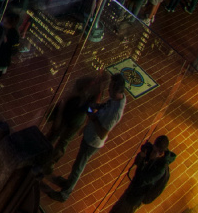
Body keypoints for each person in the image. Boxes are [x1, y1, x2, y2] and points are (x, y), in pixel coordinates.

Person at [49, 72, 128, 201]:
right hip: (89, 134)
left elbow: (102, 133)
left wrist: (93, 117)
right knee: (77, 165)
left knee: (78, 167)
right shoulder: (116, 99)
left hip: (92, 141)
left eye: (110, 88)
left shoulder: (116, 112)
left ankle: (65, 194)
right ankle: (67, 183)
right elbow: (104, 106)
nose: (108, 90)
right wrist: (94, 107)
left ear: (116, 89)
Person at [42, 74, 105, 171]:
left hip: (72, 113)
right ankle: (48, 160)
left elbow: (91, 108)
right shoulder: (95, 89)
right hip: (75, 115)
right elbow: (92, 109)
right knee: (60, 138)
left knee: (58, 136)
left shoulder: (92, 86)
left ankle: (45, 156)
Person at [108, 136, 175, 213]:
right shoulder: (152, 153)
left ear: (161, 153)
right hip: (130, 191)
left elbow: (141, 180)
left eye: (155, 151)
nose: (152, 152)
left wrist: (143, 162)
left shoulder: (160, 169)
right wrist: (142, 156)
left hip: (135, 199)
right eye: (153, 149)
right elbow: (137, 164)